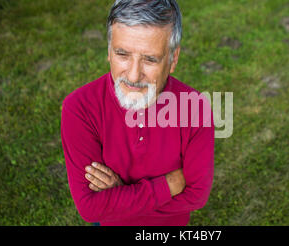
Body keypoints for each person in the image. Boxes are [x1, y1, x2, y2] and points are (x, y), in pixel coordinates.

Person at [61, 0, 214, 226]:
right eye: (122, 54)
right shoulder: (79, 108)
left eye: (150, 59)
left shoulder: (195, 108)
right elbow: (91, 208)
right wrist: (169, 185)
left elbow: (197, 196)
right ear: (108, 51)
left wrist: (119, 195)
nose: (133, 76)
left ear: (173, 59)